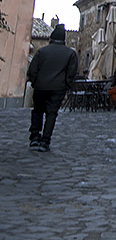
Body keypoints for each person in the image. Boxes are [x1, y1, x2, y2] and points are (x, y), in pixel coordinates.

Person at [27, 24, 79, 152]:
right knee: (51, 114)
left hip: (40, 86)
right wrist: (66, 84)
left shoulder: (41, 51)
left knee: (37, 110)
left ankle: (34, 136)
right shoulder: (70, 53)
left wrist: (35, 82)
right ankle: (45, 140)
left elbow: (32, 69)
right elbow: (71, 72)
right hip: (58, 87)